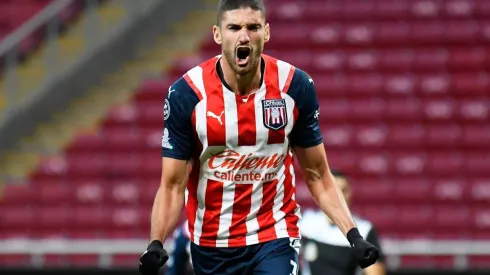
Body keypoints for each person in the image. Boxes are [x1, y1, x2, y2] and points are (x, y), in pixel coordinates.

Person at [138, 0, 380, 274]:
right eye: (234, 27)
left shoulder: (295, 86)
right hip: (212, 242)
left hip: (274, 235)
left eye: (252, 27)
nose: (244, 36)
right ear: (217, 34)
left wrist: (353, 235)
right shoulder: (186, 94)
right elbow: (172, 185)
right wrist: (156, 241)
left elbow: (317, 174)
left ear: (266, 33)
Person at [299, 171, 386, 275]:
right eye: (333, 191)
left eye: (343, 191)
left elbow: (375, 271)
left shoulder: (364, 230)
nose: (339, 197)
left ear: (350, 193)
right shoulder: (306, 223)